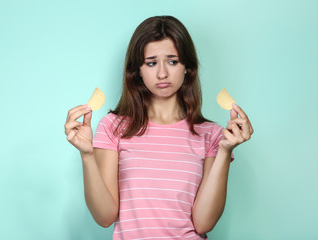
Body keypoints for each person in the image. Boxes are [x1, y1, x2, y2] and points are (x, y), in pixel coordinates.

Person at [64, 15, 253, 239]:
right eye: (151, 63)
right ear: (138, 71)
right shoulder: (113, 127)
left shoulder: (211, 135)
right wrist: (87, 155)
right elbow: (104, 217)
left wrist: (224, 151)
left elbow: (203, 224)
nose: (162, 73)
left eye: (172, 61)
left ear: (187, 68)